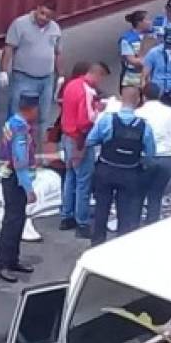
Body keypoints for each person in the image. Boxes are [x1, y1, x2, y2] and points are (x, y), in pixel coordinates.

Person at [85, 86, 156, 246]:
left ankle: (97, 244)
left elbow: (90, 140)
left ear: (120, 99)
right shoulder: (144, 126)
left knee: (101, 209)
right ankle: (120, 245)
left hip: (106, 170)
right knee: (125, 213)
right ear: (138, 101)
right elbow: (150, 152)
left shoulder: (107, 120)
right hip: (129, 172)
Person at [0, 0, 63, 148]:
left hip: (46, 78)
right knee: (16, 115)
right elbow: (9, 48)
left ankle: (36, 150)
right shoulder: (20, 24)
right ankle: (11, 149)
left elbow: (58, 53)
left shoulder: (55, 29)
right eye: (42, 13)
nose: (44, 18)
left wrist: (61, 75)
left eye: (48, 16)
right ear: (37, 7)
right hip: (23, 76)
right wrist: (3, 71)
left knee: (43, 117)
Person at [59, 61, 110, 238]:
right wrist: (98, 109)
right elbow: (85, 121)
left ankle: (67, 216)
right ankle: (82, 222)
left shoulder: (71, 85)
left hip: (66, 136)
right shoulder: (87, 91)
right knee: (83, 182)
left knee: (70, 177)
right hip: (79, 139)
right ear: (98, 74)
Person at [0, 93, 40, 283]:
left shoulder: (12, 121)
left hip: (10, 177)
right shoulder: (20, 129)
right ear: (30, 109)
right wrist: (29, 188)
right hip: (15, 180)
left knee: (17, 220)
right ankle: (3, 263)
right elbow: (20, 161)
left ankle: (12, 259)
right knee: (13, 222)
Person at [136, 83, 171, 223]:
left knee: (138, 195)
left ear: (143, 96)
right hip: (166, 158)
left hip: (145, 157)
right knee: (156, 196)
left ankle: (134, 227)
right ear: (160, 94)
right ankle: (152, 223)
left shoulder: (138, 113)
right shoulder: (169, 111)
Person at [119, 10, 154, 89]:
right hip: (133, 77)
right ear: (139, 23)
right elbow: (131, 60)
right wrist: (151, 61)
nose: (150, 22)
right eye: (147, 20)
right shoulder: (127, 39)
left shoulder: (153, 34)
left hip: (151, 75)